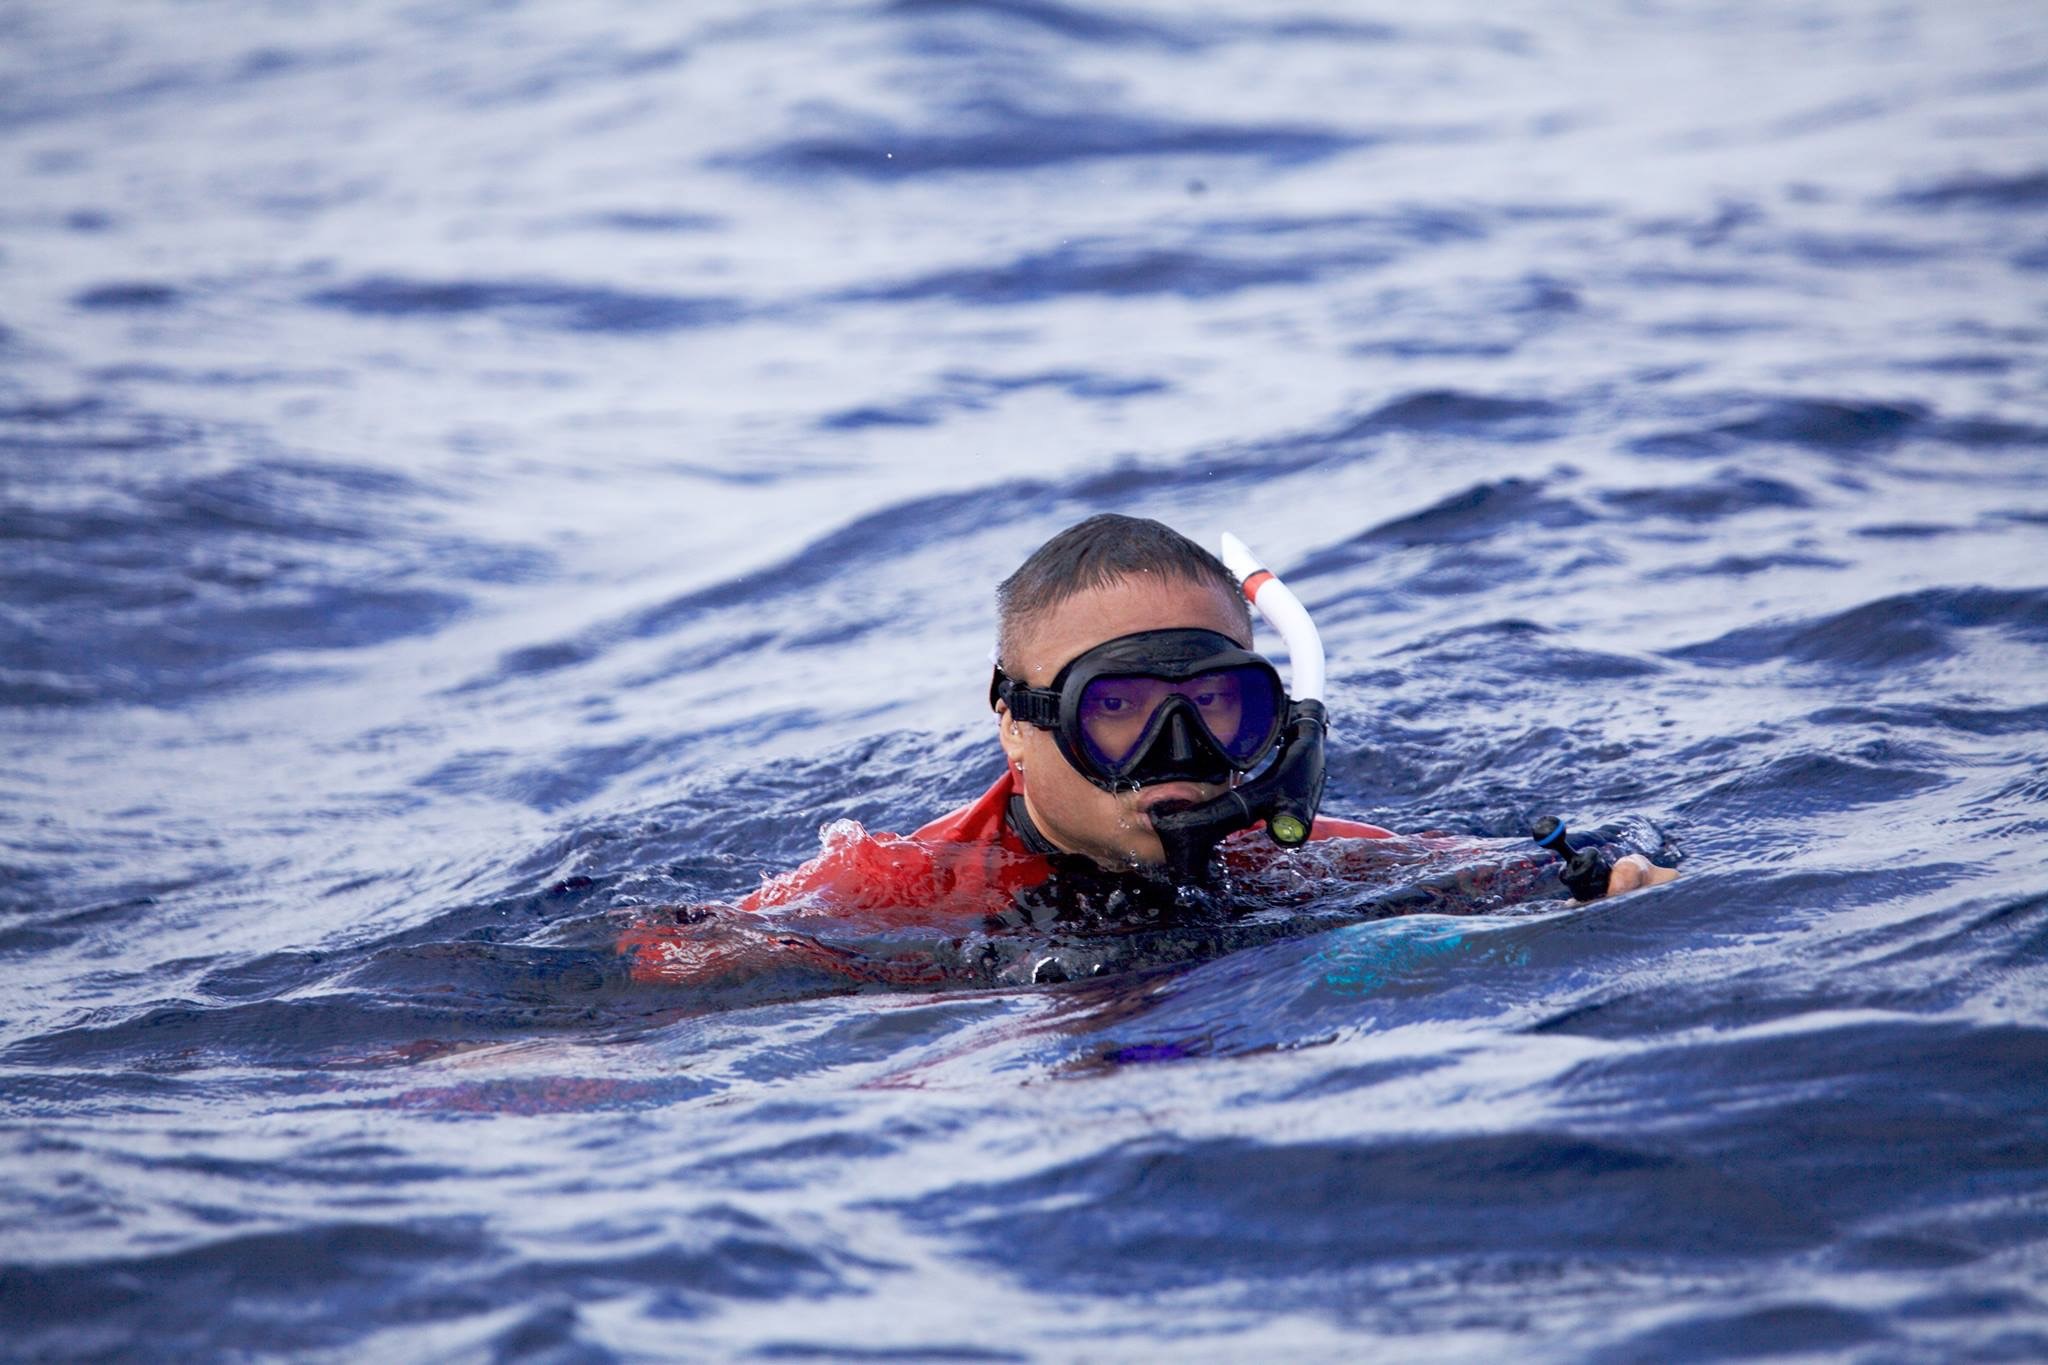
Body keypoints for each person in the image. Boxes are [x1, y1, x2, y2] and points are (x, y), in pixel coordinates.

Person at [621, 515, 1677, 988]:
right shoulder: (892, 890)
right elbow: (654, 966)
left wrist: (1608, 885)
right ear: (1015, 720)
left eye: (1218, 701)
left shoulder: (1299, 854)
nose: (1182, 749)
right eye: (1118, 705)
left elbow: (1537, 875)